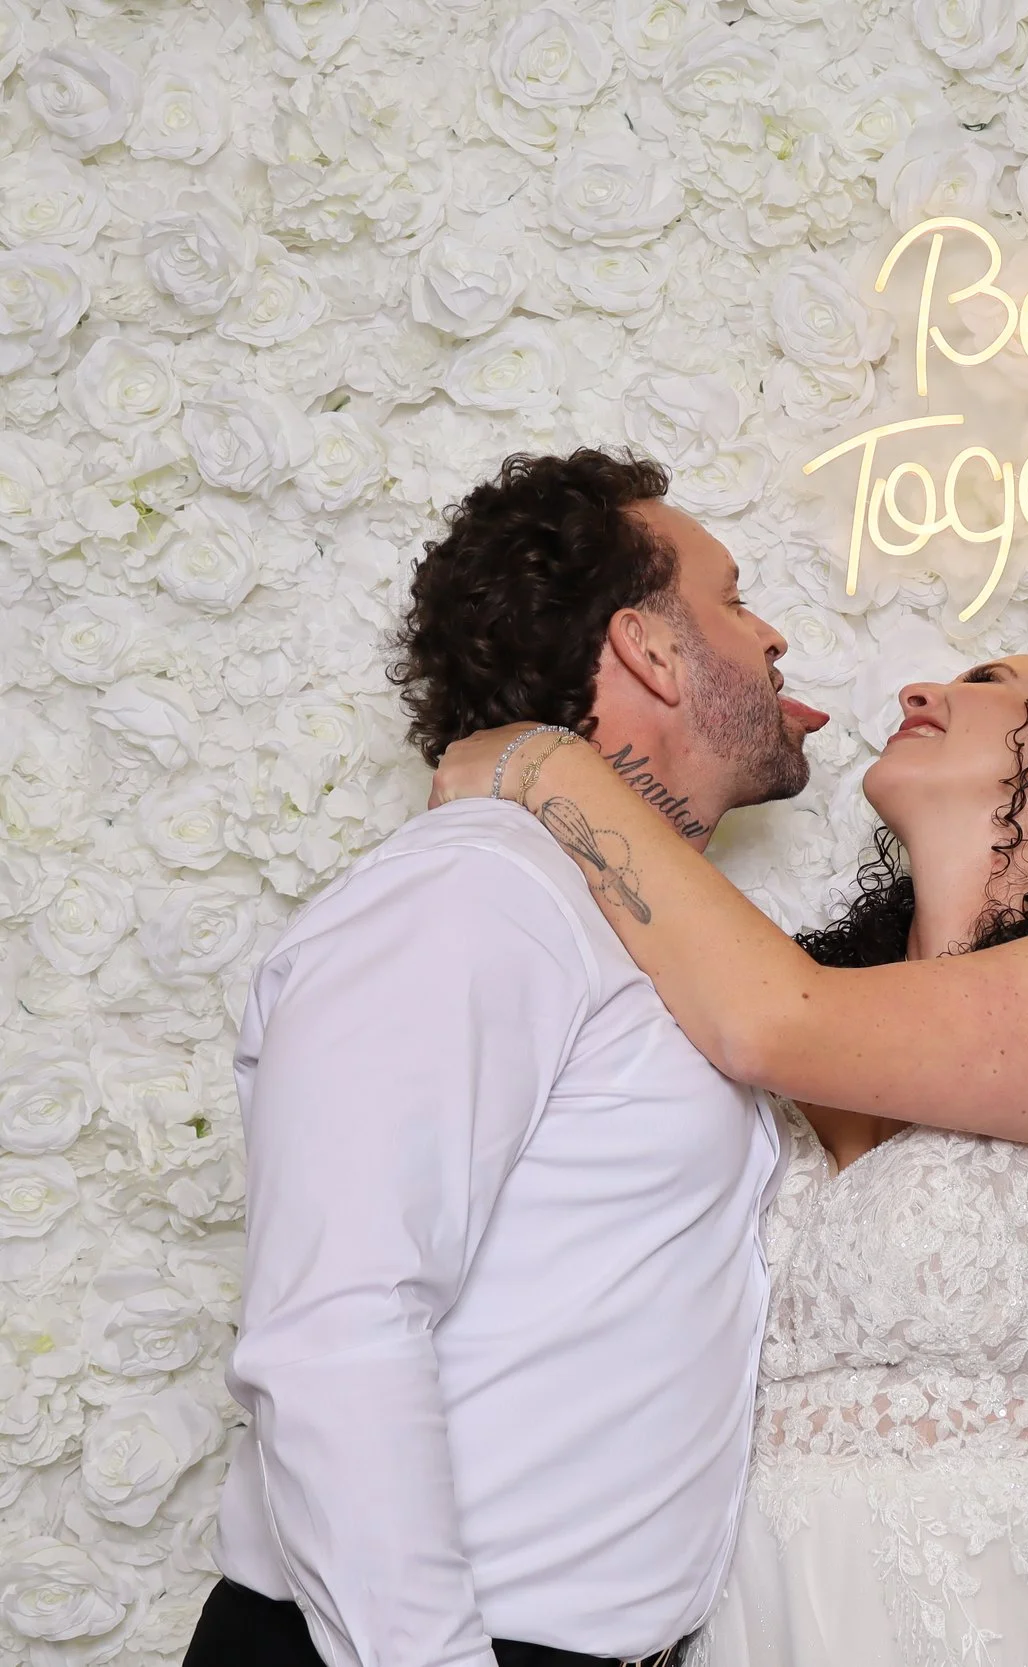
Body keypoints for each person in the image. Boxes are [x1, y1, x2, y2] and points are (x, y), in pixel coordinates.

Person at [428, 656, 1028, 1667]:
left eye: (984, 678)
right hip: (763, 1602)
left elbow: (773, 1023)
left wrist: (549, 764)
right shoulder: (798, 992)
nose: (916, 693)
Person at [189, 450, 830, 1667]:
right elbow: (334, 1322)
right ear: (646, 646)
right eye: (735, 599)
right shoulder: (473, 889)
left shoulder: (653, 935)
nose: (772, 633)